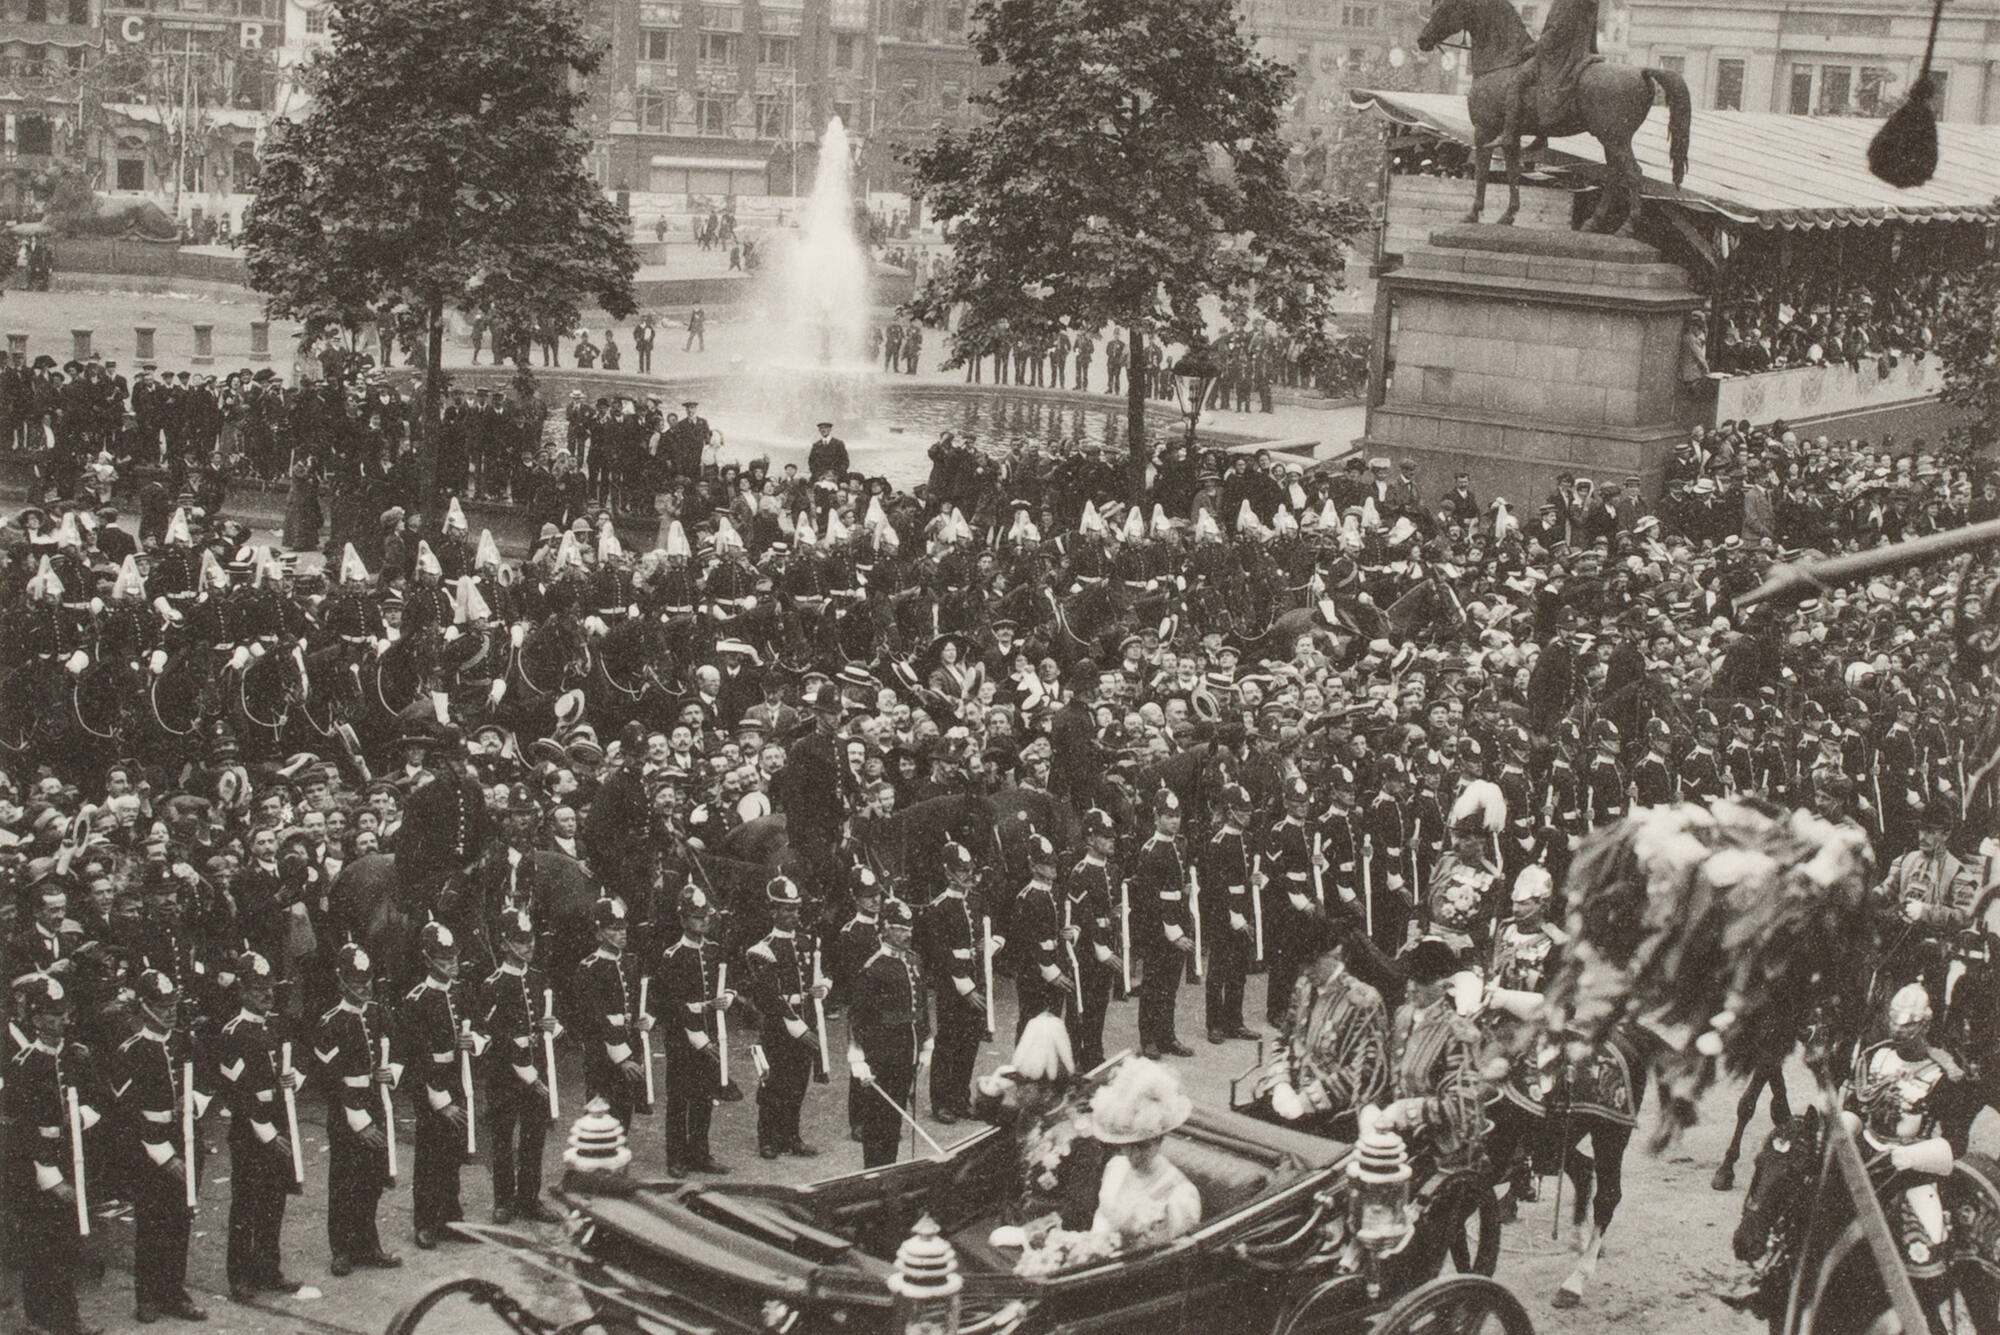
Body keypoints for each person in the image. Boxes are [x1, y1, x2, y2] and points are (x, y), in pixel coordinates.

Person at [113, 968, 212, 1324]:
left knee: (180, 1219)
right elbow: (127, 1113)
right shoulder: (130, 1051)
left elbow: (208, 1080)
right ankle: (148, 1295)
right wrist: (163, 1155)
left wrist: (194, 1101)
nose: (169, 1012)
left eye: (172, 1005)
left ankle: (173, 1291)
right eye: (161, 1006)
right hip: (150, 1150)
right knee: (152, 1223)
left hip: (187, 1140)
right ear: (144, 1008)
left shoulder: (186, 1041)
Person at [6, 971, 101, 1335]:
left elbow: (99, 1100)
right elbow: (19, 1132)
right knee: (40, 1245)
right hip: (39, 1170)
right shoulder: (24, 1066)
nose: (62, 1021)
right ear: (36, 1019)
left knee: (67, 1243)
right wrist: (50, 1178)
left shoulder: (77, 1056)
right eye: (53, 1015)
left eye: (64, 1013)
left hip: (74, 1159)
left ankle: (66, 1315)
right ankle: (41, 1318)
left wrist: (81, 1116)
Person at [215, 948, 305, 1302]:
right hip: (250, 1132)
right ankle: (239, 1275)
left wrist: (293, 1079)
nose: (266, 995)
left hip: (280, 1123)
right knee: (246, 1204)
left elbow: (296, 1060)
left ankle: (268, 1268)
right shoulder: (232, 1033)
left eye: (269, 988)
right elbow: (235, 1092)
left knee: (273, 1201)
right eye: (257, 989)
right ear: (241, 991)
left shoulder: (278, 1024)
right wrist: (265, 1131)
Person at [1252, 920, 1390, 1140]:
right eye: (1302, 964)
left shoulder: (1363, 1000)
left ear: (1336, 954)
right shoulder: (1304, 987)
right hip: (1291, 1097)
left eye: (1312, 963)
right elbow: (1284, 1039)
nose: (1306, 971)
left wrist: (1309, 1100)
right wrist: (1281, 1083)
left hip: (1335, 1111)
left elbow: (1366, 1069)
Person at [313, 942, 402, 1277]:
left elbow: (399, 1048)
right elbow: (330, 1081)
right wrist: (359, 1121)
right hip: (346, 1113)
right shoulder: (330, 1023)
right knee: (345, 1182)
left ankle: (368, 1244)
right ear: (341, 982)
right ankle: (342, 1249)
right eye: (357, 982)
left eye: (367, 981)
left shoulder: (379, 1013)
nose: (364, 988)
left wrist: (391, 1072)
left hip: (375, 1103)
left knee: (372, 1180)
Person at [397, 920, 487, 1250]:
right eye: (444, 959)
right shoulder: (416, 1000)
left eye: (453, 957)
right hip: (432, 1087)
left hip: (457, 1079)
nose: (452, 964)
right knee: (430, 1156)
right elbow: (417, 1057)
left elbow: (482, 1028)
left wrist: (473, 1041)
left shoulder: (461, 992)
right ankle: (425, 1222)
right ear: (427, 960)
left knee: (452, 1153)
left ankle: (451, 1217)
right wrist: (441, 1101)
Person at [479, 909, 561, 1222]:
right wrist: (526, 1073)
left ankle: (529, 1198)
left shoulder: (538, 978)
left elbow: (543, 1021)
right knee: (503, 1138)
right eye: (520, 940)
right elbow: (495, 1036)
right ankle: (503, 1200)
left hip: (536, 1067)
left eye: (530, 939)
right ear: (504, 944)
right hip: (506, 1075)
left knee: (534, 1136)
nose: (529, 945)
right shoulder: (494, 984)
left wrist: (550, 1025)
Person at [845, 896, 932, 1167]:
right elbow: (857, 1017)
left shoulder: (914, 961)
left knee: (894, 1121)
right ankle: (874, 1173)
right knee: (877, 1123)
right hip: (881, 1056)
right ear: (885, 929)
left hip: (907, 1053)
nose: (907, 934)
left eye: (909, 928)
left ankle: (889, 1170)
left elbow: (921, 1008)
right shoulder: (874, 968)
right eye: (900, 929)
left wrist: (926, 1044)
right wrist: (857, 1059)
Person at [745, 875, 826, 1159]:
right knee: (774, 1082)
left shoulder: (806, 942)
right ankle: (768, 1137)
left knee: (798, 1082)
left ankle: (791, 1135)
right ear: (773, 911)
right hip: (780, 1025)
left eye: (796, 909)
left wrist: (823, 987)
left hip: (805, 1016)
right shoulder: (762, 949)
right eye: (786, 909)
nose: (793, 915)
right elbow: (769, 997)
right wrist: (799, 1028)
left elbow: (822, 974)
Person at [656, 885, 735, 1175]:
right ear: (682, 920)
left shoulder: (713, 950)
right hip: (683, 1038)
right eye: (696, 917)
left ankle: (700, 1153)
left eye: (706, 916)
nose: (704, 921)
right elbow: (671, 1004)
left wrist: (728, 998)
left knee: (704, 1096)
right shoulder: (672, 956)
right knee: (680, 1097)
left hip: (711, 1033)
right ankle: (676, 1156)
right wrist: (699, 1030)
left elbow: (729, 982)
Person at [1087, 1058, 1200, 1250]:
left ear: (1159, 1140)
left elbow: (1172, 1257)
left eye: (1142, 1146)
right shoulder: (1116, 1167)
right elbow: (1101, 1222)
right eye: (1127, 1146)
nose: (1133, 1155)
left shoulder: (1180, 1195)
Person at [1133, 789, 1194, 1058]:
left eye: (1177, 815)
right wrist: (1173, 933)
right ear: (1156, 818)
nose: (1174, 821)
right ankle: (1148, 1039)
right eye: (1168, 816)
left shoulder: (1178, 844)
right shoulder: (1150, 850)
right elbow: (1149, 898)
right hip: (1158, 928)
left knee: (1170, 985)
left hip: (1177, 919)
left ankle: (1167, 1036)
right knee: (1153, 985)